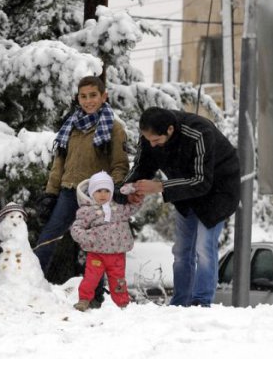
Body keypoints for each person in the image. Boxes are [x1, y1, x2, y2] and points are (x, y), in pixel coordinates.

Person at [121, 107, 240, 307]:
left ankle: (201, 302)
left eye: (156, 141)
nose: (152, 145)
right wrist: (129, 187)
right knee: (182, 251)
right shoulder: (150, 136)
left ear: (170, 130)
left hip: (218, 193)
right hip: (184, 194)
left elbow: (202, 181)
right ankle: (180, 301)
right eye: (148, 140)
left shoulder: (200, 132)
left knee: (204, 247)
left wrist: (160, 186)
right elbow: (142, 166)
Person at [34, 76, 129, 307]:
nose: (88, 101)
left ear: (104, 96)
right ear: (78, 98)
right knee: (50, 235)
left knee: (96, 245)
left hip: (96, 198)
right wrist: (50, 193)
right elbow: (59, 162)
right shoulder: (71, 125)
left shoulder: (113, 128)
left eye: (93, 96)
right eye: (83, 96)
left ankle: (94, 296)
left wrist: (113, 191)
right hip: (68, 191)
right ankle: (31, 284)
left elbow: (119, 164)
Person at [70, 171, 141, 311]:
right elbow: (76, 228)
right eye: (98, 191)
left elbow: (134, 206)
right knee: (91, 278)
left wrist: (134, 191)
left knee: (118, 281)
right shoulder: (87, 211)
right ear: (91, 193)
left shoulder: (119, 208)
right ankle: (84, 300)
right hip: (97, 254)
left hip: (117, 255)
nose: (103, 194)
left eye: (106, 191)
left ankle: (123, 303)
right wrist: (85, 237)